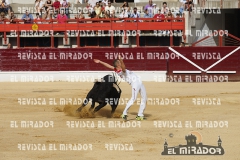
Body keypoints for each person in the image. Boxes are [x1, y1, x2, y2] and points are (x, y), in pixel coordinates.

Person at [93, 55, 147, 121]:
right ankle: (124, 113)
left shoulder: (116, 70)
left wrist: (100, 61)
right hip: (135, 83)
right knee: (133, 98)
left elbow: (108, 66)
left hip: (139, 82)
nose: (121, 63)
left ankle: (140, 115)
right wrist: (121, 60)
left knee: (144, 98)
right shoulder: (121, 71)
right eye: (120, 62)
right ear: (118, 65)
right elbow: (124, 68)